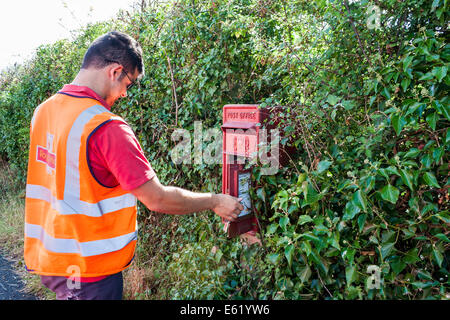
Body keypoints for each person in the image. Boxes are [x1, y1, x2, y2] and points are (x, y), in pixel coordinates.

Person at [24, 31, 243, 300]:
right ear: (115, 71)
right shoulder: (105, 127)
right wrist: (215, 200)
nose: (126, 94)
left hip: (53, 260)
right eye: (130, 82)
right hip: (89, 271)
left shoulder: (44, 111)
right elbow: (157, 198)